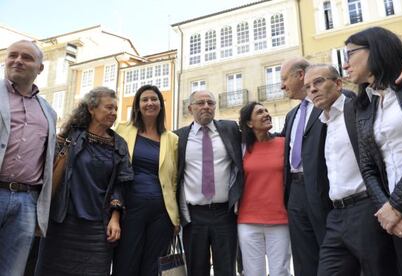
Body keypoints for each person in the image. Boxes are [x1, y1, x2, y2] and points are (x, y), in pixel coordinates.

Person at [304, 63, 399, 276]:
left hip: (366, 209)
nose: (312, 90)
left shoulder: (358, 110)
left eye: (318, 82)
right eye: (307, 86)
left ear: (338, 83)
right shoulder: (323, 122)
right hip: (336, 215)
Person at [34, 87, 133, 276]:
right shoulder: (69, 137)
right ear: (91, 109)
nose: (113, 113)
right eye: (108, 108)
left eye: (115, 109)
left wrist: (115, 217)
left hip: (97, 229)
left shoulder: (119, 144)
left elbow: (122, 183)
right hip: (62, 223)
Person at [343, 26, 402, 276]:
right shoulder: (364, 105)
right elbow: (368, 166)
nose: (345, 64)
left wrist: (395, 206)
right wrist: (388, 211)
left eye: (350, 54)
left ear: (375, 49)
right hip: (399, 218)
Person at [0, 40, 56, 276]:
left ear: (40, 68)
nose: (18, 60)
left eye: (26, 57)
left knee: (13, 271)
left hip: (26, 201)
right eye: (13, 55)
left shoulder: (48, 111)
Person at [113, 85, 180, 276]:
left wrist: (175, 217)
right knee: (125, 263)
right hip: (130, 209)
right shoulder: (122, 130)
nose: (150, 103)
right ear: (137, 105)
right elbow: (114, 170)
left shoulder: (172, 139)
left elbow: (173, 180)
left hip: (162, 213)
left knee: (153, 267)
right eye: (145, 99)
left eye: (154, 99)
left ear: (161, 105)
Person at [175, 90, 243, 276]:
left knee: (227, 268)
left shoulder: (230, 129)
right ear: (190, 108)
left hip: (225, 214)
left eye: (210, 103)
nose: (206, 106)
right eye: (200, 103)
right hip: (193, 216)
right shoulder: (178, 137)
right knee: (196, 269)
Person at [279, 58, 331, 276]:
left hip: (323, 190)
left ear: (301, 75)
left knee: (330, 253)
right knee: (303, 256)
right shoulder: (292, 115)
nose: (282, 85)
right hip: (296, 193)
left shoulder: (331, 103)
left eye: (284, 79)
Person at [238, 102, 290, 276]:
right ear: (249, 123)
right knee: (253, 273)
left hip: (280, 220)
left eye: (266, 110)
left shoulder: (284, 144)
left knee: (280, 272)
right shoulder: (242, 149)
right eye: (260, 112)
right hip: (248, 221)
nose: (266, 114)